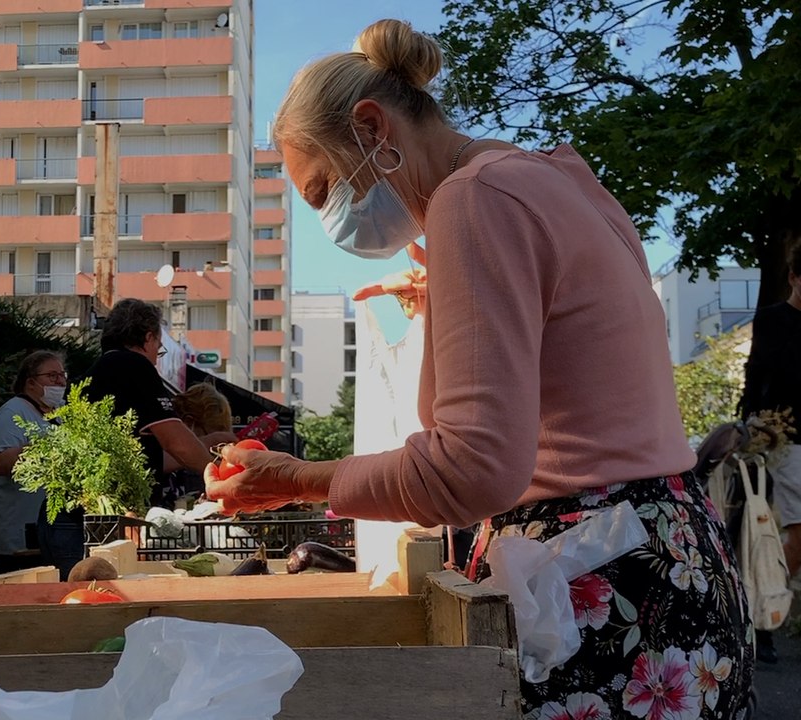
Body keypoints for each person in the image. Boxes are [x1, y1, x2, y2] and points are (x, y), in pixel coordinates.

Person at [204, 19, 753, 717]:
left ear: (372, 127)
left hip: (604, 585)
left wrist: (294, 482)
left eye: (323, 191)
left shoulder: (474, 198)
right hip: (677, 562)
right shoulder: (561, 180)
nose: (330, 221)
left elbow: (470, 469)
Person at [38, 299, 236, 578]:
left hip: (71, 519)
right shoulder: (133, 365)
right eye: (159, 347)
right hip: (93, 523)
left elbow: (154, 458)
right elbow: (176, 441)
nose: (157, 356)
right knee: (96, 605)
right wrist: (222, 480)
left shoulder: (98, 371)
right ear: (148, 337)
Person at [738, 243, 801, 665]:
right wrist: (753, 424)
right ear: (795, 277)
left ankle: (763, 614)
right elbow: (761, 370)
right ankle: (762, 618)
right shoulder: (774, 320)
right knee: (799, 529)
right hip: (787, 437)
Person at [0, 350, 66, 574]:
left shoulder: (60, 414)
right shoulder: (12, 412)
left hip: (56, 534)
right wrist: (40, 447)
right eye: (52, 376)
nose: (60, 381)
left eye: (62, 375)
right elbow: (0, 463)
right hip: (21, 533)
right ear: (30, 382)